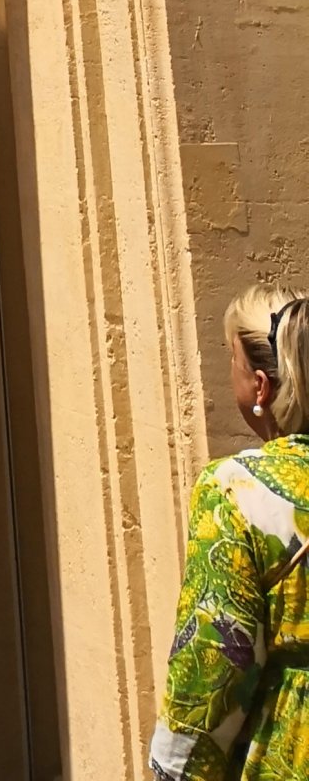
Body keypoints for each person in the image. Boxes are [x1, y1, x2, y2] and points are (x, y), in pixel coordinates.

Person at [152, 287, 309, 776]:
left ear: (260, 387)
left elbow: (213, 672)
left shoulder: (235, 491)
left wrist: (175, 768)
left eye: (232, 362)